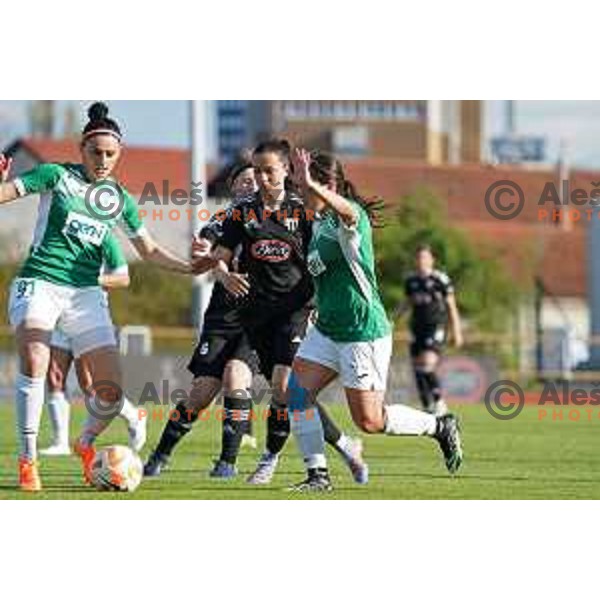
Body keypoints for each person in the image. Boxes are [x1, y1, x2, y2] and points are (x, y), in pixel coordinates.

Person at [0, 102, 197, 492]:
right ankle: (28, 459)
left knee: (107, 392)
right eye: (96, 152)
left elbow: (150, 250)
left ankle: (84, 442)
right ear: (81, 150)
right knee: (37, 357)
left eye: (111, 154)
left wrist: (193, 268)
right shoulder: (55, 175)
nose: (103, 160)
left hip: (86, 294)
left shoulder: (120, 200)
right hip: (39, 283)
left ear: (119, 154)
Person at [285, 148, 464, 492]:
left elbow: (350, 213)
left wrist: (313, 185)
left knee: (370, 420)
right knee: (296, 394)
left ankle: (440, 427)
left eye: (303, 185)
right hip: (327, 330)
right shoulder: (318, 223)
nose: (299, 190)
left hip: (361, 332)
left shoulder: (352, 219)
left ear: (327, 185)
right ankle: (318, 476)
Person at [209, 139, 369, 485]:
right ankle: (345, 445)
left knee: (285, 385)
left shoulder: (303, 211)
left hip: (296, 311)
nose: (263, 177)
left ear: (286, 171)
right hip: (256, 315)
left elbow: (324, 256)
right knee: (285, 393)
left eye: (270, 170)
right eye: (258, 171)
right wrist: (225, 275)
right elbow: (219, 256)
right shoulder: (242, 212)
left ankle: (270, 458)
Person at [143, 161, 261, 479]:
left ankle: (227, 464)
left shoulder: (275, 220)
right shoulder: (221, 220)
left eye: (256, 180)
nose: (251, 185)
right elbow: (206, 249)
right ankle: (160, 455)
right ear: (233, 187)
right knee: (201, 393)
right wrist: (210, 261)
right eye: (244, 180)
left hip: (258, 320)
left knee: (237, 378)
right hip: (222, 319)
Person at [41, 232, 147, 456]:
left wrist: (90, 280)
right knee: (54, 376)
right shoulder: (55, 236)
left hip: (86, 315)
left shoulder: (101, 236)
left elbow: (121, 278)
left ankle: (132, 414)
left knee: (91, 386)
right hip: (58, 314)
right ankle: (60, 442)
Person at [398, 245, 463, 416]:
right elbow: (406, 303)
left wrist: (456, 331)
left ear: (432, 260)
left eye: (425, 257)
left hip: (435, 327)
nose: (421, 261)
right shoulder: (411, 281)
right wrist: (391, 320)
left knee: (427, 363)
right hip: (417, 328)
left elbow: (451, 306)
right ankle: (426, 405)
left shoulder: (440, 280)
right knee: (417, 367)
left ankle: (439, 401)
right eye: (419, 257)